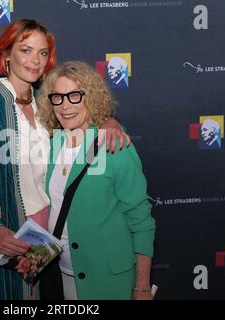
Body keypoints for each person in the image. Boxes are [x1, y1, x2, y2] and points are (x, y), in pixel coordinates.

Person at [0, 19, 129, 300]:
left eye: (43, 53)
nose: (35, 60)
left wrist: (109, 121)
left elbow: (82, 120)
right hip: (13, 234)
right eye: (26, 50)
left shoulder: (46, 103)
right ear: (6, 55)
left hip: (56, 237)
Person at [36, 61, 155, 300]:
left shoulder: (112, 145)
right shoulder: (49, 144)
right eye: (57, 97)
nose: (65, 106)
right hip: (57, 275)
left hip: (107, 280)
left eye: (75, 96)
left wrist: (142, 286)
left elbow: (141, 220)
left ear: (91, 98)